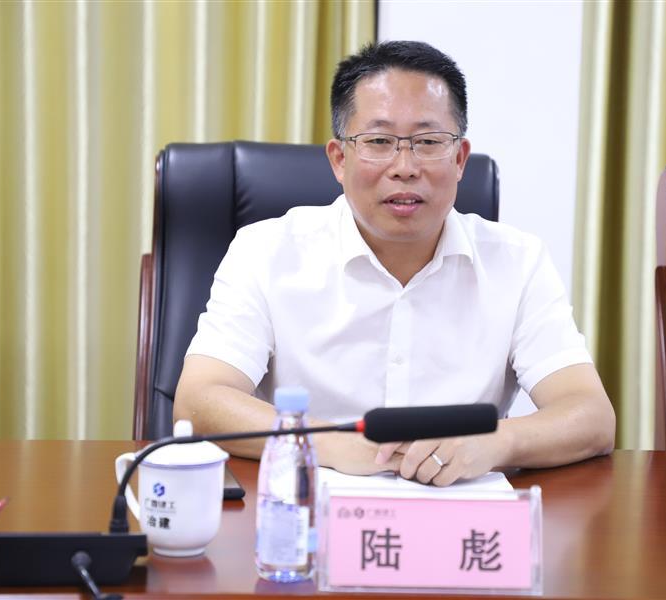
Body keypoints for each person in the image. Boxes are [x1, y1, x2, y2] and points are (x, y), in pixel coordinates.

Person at [174, 41, 615, 486]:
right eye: (379, 142)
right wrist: (331, 443)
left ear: (459, 159)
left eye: (428, 142)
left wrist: (496, 442)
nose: (405, 167)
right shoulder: (266, 251)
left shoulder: (518, 262)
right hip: (305, 512)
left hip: (459, 513)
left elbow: (591, 415)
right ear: (339, 159)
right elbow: (198, 400)